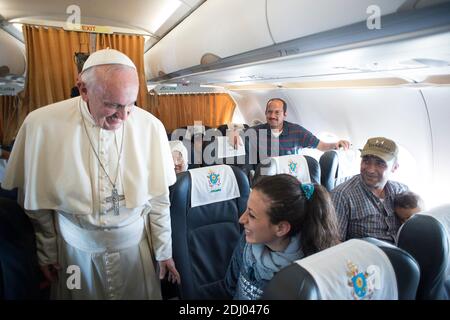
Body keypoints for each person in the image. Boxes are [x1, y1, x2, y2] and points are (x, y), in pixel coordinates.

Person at [2, 48, 180, 299]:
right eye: (112, 105)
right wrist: (48, 253)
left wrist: (164, 251)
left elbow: (159, 199)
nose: (124, 117)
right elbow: (38, 207)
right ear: (83, 89)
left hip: (134, 253)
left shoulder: (150, 127)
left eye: (131, 104)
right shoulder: (41, 125)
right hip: (75, 256)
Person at [223, 174, 340, 300]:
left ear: (281, 228)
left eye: (251, 215)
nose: (241, 219)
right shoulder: (248, 240)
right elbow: (230, 286)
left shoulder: (306, 275)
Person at [331, 137, 409, 244]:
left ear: (394, 167)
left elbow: (415, 228)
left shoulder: (402, 191)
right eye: (366, 161)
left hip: (403, 255)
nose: (370, 170)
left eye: (380, 163)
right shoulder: (342, 196)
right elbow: (335, 244)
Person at [232, 98, 350, 165]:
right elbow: (237, 133)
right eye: (269, 112)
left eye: (277, 112)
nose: (272, 115)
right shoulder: (257, 131)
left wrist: (336, 144)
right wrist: (234, 133)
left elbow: (321, 146)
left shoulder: (297, 131)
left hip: (290, 177)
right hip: (265, 180)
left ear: (285, 114)